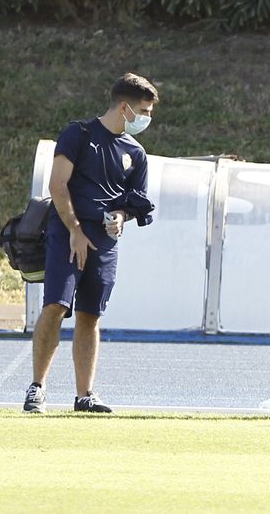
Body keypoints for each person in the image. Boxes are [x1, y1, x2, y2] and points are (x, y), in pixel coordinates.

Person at [23, 73, 158, 413]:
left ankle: (84, 395)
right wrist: (75, 230)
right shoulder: (78, 134)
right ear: (124, 107)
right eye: (144, 111)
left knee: (90, 315)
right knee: (55, 306)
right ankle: (37, 388)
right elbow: (57, 185)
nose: (147, 119)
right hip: (67, 235)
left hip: (105, 243)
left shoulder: (136, 153)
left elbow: (133, 202)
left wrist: (121, 218)